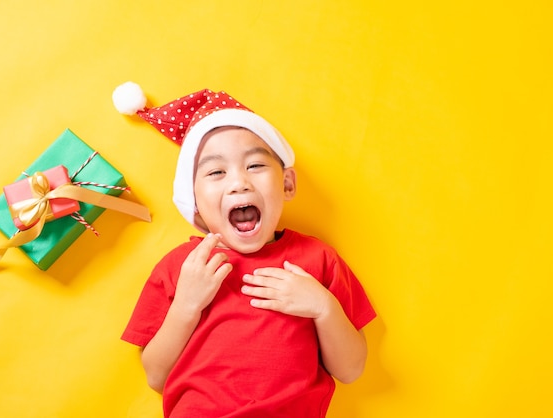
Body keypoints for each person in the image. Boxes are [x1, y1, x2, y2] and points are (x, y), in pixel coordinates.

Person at [113, 82, 377, 417]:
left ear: (287, 184)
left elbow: (351, 369)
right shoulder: (182, 268)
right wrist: (187, 305)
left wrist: (323, 308)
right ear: (193, 202)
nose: (239, 182)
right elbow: (156, 375)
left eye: (255, 165)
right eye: (216, 172)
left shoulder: (319, 260)